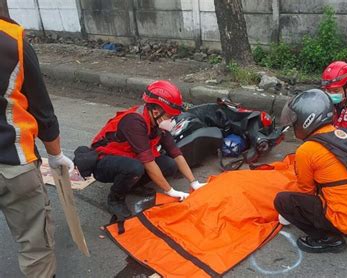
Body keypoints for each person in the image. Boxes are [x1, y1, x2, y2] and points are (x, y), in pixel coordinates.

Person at [0, 17, 74, 277]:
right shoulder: (11, 39)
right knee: (35, 246)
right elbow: (42, 110)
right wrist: (56, 155)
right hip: (13, 162)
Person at [274, 89, 347, 253]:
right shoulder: (345, 134)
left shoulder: (307, 150)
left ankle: (329, 239)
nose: (294, 126)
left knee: (283, 201)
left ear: (307, 120)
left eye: (295, 121)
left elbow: (306, 190)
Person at [91, 80, 205, 218]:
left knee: (169, 165)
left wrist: (194, 182)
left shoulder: (158, 122)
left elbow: (176, 153)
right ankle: (115, 199)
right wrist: (170, 191)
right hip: (103, 160)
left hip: (128, 157)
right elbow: (148, 162)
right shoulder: (134, 122)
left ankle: (133, 185)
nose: (172, 120)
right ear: (156, 110)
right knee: (135, 167)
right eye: (170, 116)